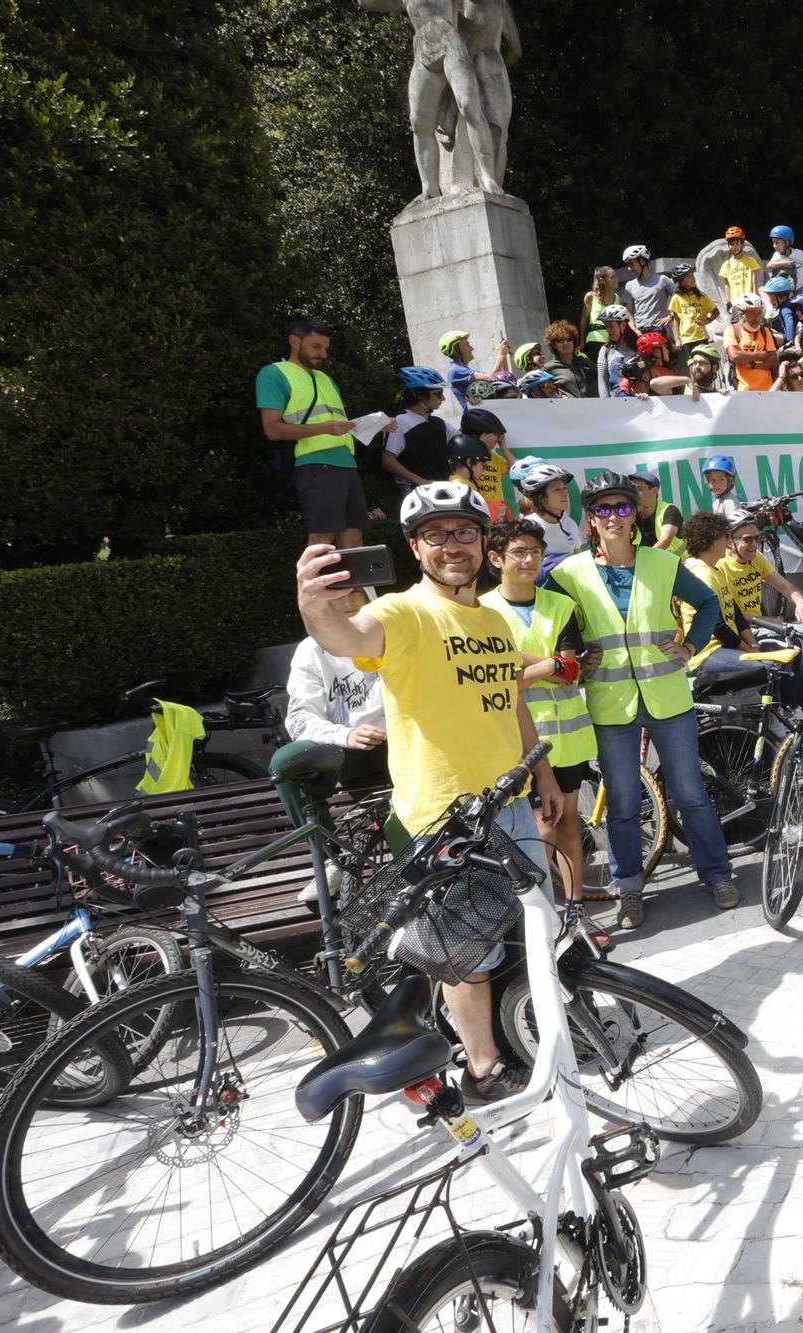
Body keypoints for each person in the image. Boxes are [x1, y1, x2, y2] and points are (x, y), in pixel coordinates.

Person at [295, 482, 566, 1103]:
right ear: (415, 548)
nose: (452, 546)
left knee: (534, 928)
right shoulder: (403, 612)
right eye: (436, 535)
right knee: (463, 954)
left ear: (483, 546)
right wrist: (314, 604)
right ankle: (483, 1068)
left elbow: (510, 700)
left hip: (511, 803)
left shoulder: (495, 618)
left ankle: (545, 1034)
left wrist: (542, 773)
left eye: (464, 533)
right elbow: (349, 637)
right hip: (446, 815)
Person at [545, 473, 739, 927]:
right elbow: (546, 620)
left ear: (635, 515)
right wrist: (567, 658)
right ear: (591, 519)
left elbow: (708, 604)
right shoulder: (569, 573)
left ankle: (717, 873)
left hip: (667, 696)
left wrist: (691, 646)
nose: (614, 517)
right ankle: (628, 887)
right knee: (625, 802)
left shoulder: (661, 562)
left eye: (623, 508)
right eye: (603, 510)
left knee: (691, 793)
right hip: (611, 702)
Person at [481, 520, 594, 917]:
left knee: (566, 826)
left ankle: (576, 913)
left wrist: (516, 668)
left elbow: (570, 670)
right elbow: (486, 680)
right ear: (495, 559)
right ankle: (537, 919)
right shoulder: (480, 612)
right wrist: (547, 664)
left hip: (569, 738)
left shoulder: (561, 605)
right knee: (536, 832)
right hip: (511, 740)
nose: (530, 560)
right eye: (519, 552)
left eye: (535, 551)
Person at [258, 316, 381, 548]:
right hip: (314, 465)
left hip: (347, 464)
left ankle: (355, 586)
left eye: (325, 348)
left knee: (354, 537)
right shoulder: (273, 373)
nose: (323, 354)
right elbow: (272, 429)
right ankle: (315, 585)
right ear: (294, 341)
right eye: (316, 347)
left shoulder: (325, 379)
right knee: (323, 539)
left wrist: (375, 424)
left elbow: (339, 427)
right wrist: (324, 428)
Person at [283, 587, 387, 787]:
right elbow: (300, 719)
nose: (347, 603)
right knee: (286, 762)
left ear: (369, 594)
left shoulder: (396, 637)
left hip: (403, 741)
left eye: (355, 592)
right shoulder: (310, 650)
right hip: (344, 749)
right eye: (337, 595)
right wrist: (346, 735)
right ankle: (314, 820)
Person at [679, 512, 765, 678]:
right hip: (707, 653)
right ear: (712, 542)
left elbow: (736, 614)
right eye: (726, 536)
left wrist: (754, 646)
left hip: (727, 647)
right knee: (764, 669)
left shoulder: (716, 569)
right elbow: (717, 626)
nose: (728, 541)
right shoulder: (700, 572)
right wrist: (750, 652)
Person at [718, 514, 803, 623]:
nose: (754, 544)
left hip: (759, 626)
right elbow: (728, 616)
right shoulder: (721, 566)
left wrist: (800, 603)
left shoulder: (757, 558)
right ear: (729, 542)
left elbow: (786, 587)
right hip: (739, 631)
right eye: (747, 540)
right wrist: (769, 621)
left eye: (757, 538)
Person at [383, 366, 453, 493]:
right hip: (417, 494)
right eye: (439, 394)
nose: (443, 398)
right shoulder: (400, 421)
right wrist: (420, 481)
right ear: (421, 396)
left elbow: (464, 440)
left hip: (444, 490)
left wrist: (473, 404)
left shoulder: (439, 423)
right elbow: (388, 460)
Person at [514, 459, 582, 574]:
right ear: (541, 497)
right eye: (557, 489)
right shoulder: (528, 527)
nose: (565, 493)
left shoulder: (569, 523)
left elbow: (579, 559)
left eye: (564, 488)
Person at [621, 244, 676, 341]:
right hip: (639, 332)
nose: (629, 268)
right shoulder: (629, 285)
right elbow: (629, 313)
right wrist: (635, 330)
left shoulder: (663, 280)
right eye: (628, 265)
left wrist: (670, 316)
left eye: (632, 264)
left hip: (659, 330)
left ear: (642, 262)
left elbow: (681, 300)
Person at [726, 294, 780, 391]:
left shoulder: (765, 331)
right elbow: (734, 356)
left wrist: (753, 364)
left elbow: (773, 360)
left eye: (759, 312)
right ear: (741, 313)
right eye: (752, 312)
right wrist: (761, 355)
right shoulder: (732, 330)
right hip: (744, 392)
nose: (756, 317)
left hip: (767, 390)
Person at [668, 264, 719, 362]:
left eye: (692, 275)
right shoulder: (676, 298)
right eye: (689, 276)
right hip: (687, 339)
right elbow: (676, 321)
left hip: (702, 337)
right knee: (693, 366)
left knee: (706, 363)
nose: (693, 278)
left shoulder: (702, 296)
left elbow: (716, 312)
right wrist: (677, 339)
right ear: (681, 281)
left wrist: (708, 320)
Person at [630, 471, 682, 551]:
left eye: (639, 489)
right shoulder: (631, 514)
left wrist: (645, 560)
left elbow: (665, 541)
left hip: (681, 561)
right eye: (632, 489)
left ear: (654, 491)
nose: (634, 493)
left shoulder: (670, 510)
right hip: (653, 561)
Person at [593, 303, 636, 398]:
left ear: (623, 325)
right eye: (606, 326)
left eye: (611, 326)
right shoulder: (605, 350)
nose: (608, 330)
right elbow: (602, 382)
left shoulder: (638, 349)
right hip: (615, 406)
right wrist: (606, 405)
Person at [540, 320, 592, 398]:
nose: (566, 343)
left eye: (569, 339)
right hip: (568, 409)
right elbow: (548, 394)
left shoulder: (585, 362)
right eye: (561, 340)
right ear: (554, 345)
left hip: (594, 407)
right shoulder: (548, 369)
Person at [717, 227, 763, 306]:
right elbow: (726, 284)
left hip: (749, 300)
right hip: (735, 302)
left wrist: (755, 295)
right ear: (728, 245)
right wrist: (728, 301)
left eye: (737, 243)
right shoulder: (726, 264)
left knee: (750, 318)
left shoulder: (750, 260)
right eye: (732, 244)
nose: (734, 247)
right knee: (737, 319)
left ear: (743, 245)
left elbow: (754, 278)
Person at [765, 224, 803, 293]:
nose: (774, 246)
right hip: (784, 292)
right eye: (773, 243)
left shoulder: (798, 254)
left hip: (799, 290)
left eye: (777, 243)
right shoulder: (776, 255)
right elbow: (769, 265)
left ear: (787, 242)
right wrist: (785, 264)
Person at [581, 266, 622, 344]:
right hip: (594, 339)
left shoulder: (619, 300)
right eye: (612, 277)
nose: (616, 279)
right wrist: (582, 342)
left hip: (614, 341)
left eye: (616, 276)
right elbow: (583, 321)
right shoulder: (590, 297)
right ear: (602, 280)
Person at [702, 453, 743, 518]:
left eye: (721, 479)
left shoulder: (730, 502)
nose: (716, 484)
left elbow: (734, 526)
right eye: (713, 480)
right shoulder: (716, 499)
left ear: (729, 481)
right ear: (708, 481)